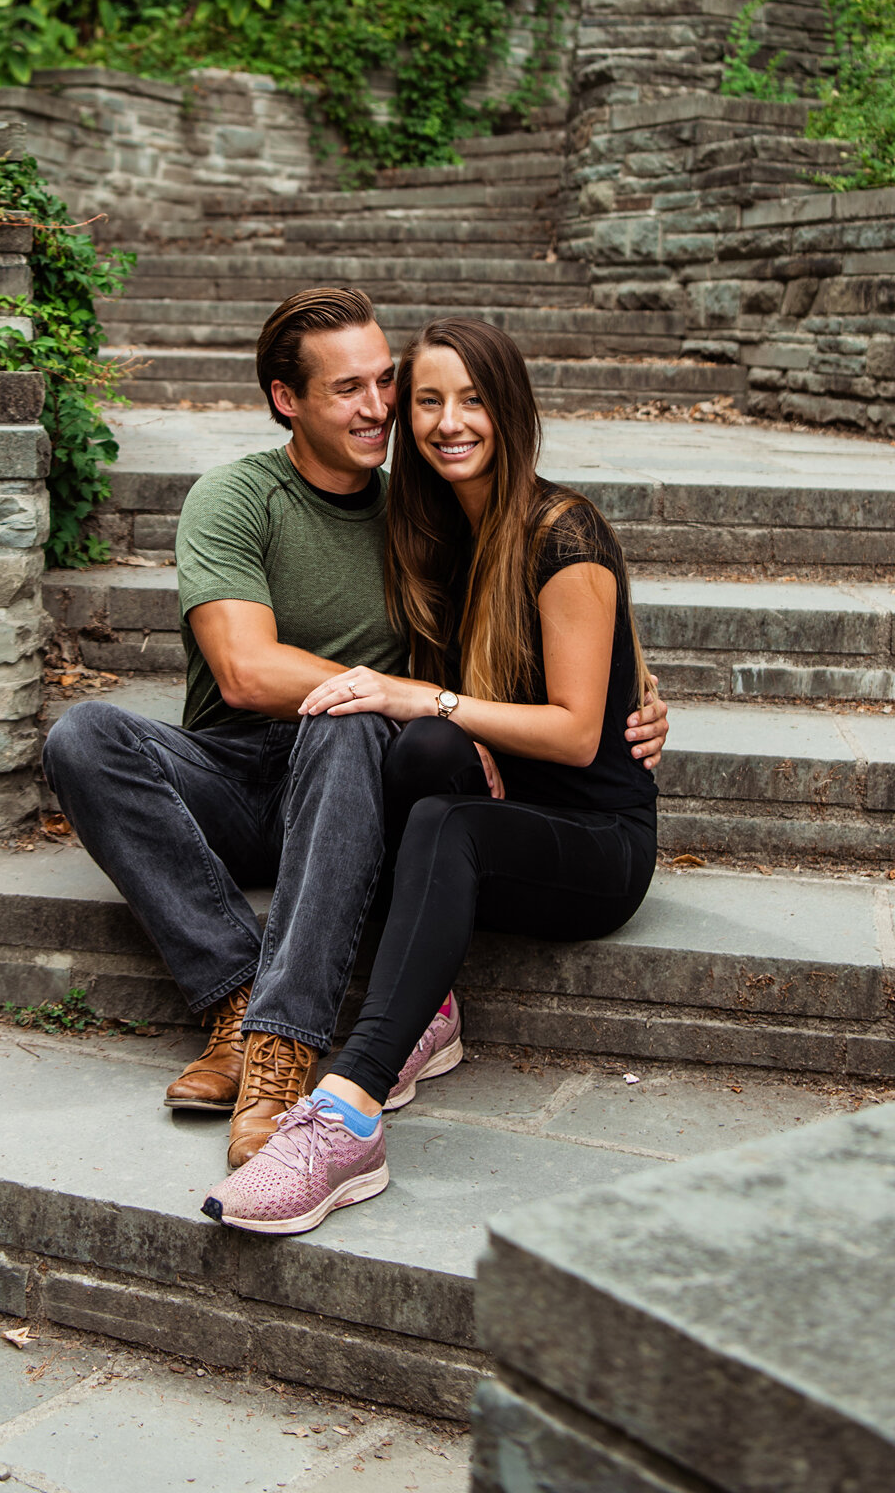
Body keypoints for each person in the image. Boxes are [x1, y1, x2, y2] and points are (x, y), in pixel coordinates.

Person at [43, 289, 669, 1170]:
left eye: (386, 382)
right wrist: (407, 690)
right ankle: (234, 991)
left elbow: (541, 602)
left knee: (346, 720)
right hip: (235, 773)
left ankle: (279, 1050)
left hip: (352, 780)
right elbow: (246, 672)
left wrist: (627, 692)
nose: (377, 408)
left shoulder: (420, 511)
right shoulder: (235, 498)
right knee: (84, 737)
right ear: (285, 399)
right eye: (348, 389)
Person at [202, 315, 661, 1234]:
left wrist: (431, 698)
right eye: (428, 402)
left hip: (590, 848)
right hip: (494, 811)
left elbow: (576, 737)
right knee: (414, 754)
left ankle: (346, 1112)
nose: (450, 422)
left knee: (434, 778)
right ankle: (431, 1010)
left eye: (474, 400)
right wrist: (425, 712)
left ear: (511, 409)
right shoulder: (433, 540)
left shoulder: (562, 535)